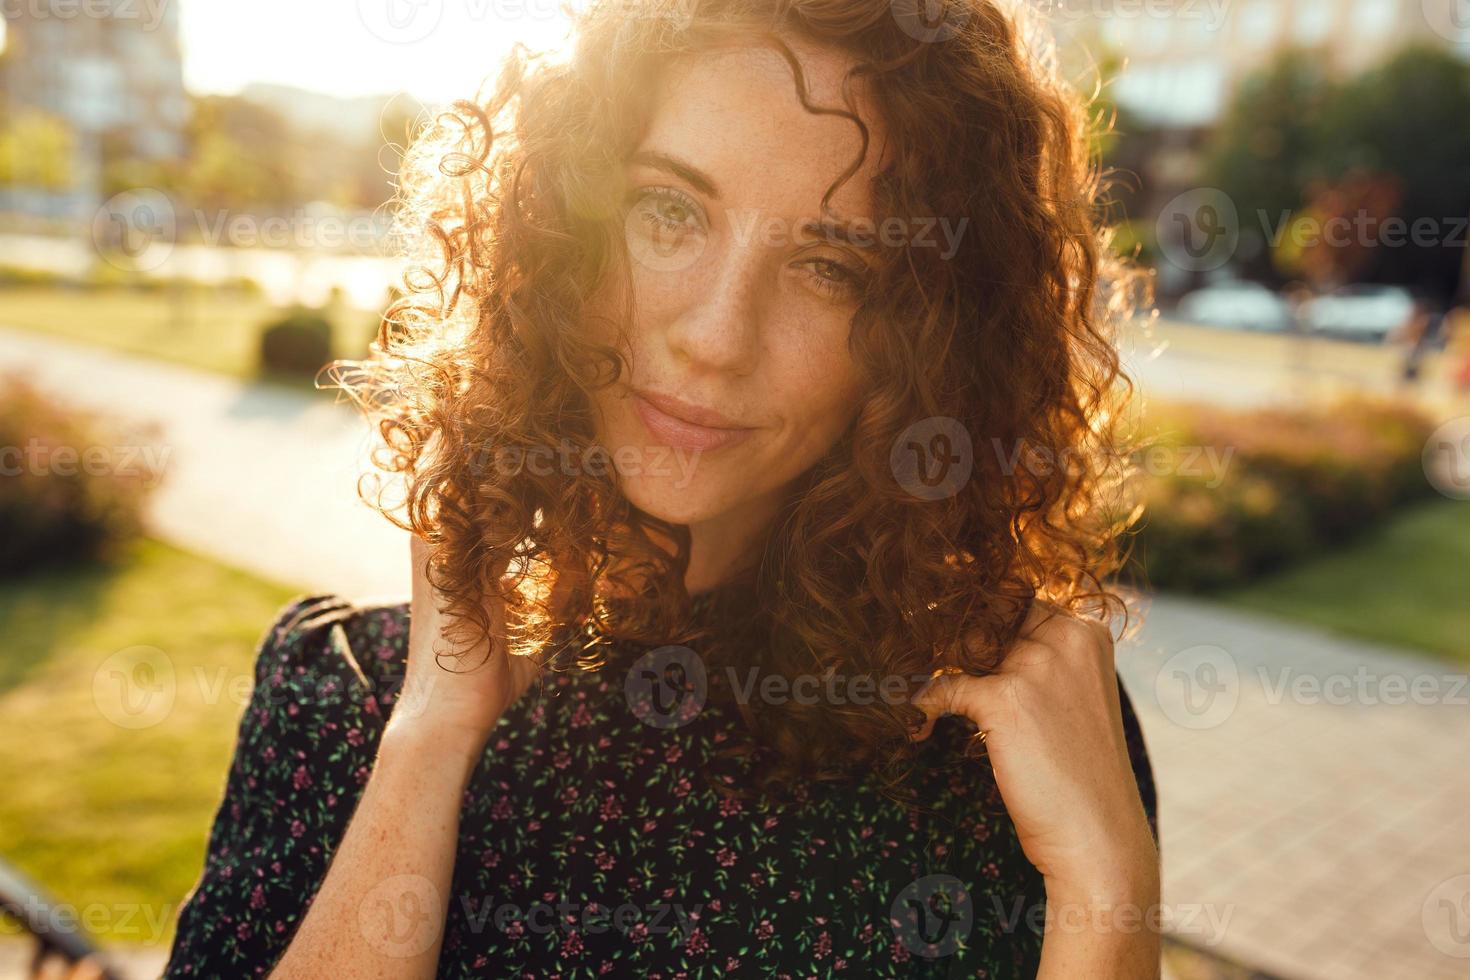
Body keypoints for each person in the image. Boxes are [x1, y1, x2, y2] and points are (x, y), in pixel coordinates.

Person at [163, 0, 1159, 975]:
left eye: (829, 265)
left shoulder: (1011, 735)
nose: (718, 337)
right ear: (559, 231)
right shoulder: (348, 696)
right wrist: (431, 734)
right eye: (671, 211)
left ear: (927, 344)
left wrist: (1107, 886)